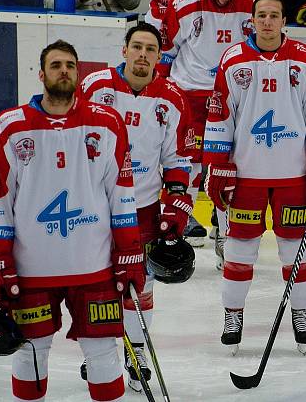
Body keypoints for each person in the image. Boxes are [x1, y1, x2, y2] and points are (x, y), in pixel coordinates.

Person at [0, 40, 144, 401]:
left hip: (93, 265)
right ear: (41, 74)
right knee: (30, 352)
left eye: (70, 65)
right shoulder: (9, 126)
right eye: (55, 65)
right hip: (32, 269)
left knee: (103, 351)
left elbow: (122, 196)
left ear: (78, 73)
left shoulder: (107, 123)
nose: (64, 71)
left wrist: (130, 253)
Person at [202, 0, 306, 353]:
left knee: (296, 251)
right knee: (239, 249)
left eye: (274, 15)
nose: (267, 22)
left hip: (292, 176)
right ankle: (233, 315)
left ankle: (302, 315)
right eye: (261, 15)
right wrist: (217, 166)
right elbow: (219, 117)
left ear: (284, 20)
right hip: (247, 176)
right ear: (252, 19)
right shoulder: (233, 61)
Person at [77, 23, 193, 391]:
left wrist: (176, 203)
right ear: (124, 50)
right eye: (137, 47)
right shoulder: (95, 87)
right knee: (94, 281)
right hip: (92, 203)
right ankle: (97, 350)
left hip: (141, 205)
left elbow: (179, 158)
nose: (143, 55)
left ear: (160, 57)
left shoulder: (172, 98)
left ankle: (136, 350)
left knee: (139, 282)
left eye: (150, 50)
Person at [161, 0, 257, 247]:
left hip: (233, 95)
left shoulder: (253, 3)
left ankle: (223, 223)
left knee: (229, 161)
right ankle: (183, 216)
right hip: (188, 93)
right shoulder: (185, 2)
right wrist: (164, 92)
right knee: (186, 160)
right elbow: (167, 50)